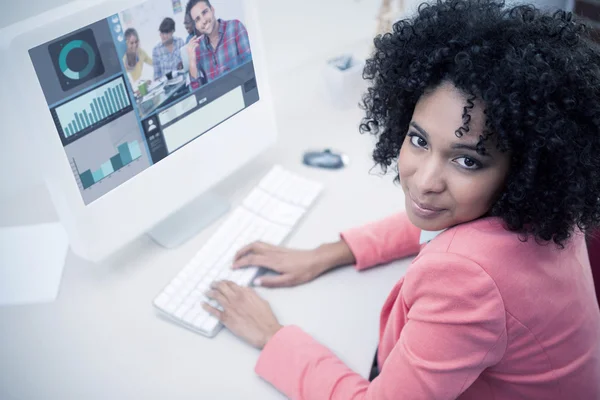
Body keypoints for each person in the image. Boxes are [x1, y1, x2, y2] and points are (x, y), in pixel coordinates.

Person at [200, 0, 600, 398]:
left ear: (524, 168)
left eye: (466, 160)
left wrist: (273, 337)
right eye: (419, 139)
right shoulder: (545, 207)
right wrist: (331, 252)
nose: (425, 181)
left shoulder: (468, 283)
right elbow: (443, 221)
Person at [185, 0, 251, 87]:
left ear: (212, 9)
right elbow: (197, 94)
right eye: (197, 19)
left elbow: (251, 70)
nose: (203, 21)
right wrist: (192, 63)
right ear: (196, 26)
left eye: (204, 12)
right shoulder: (198, 48)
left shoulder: (235, 27)